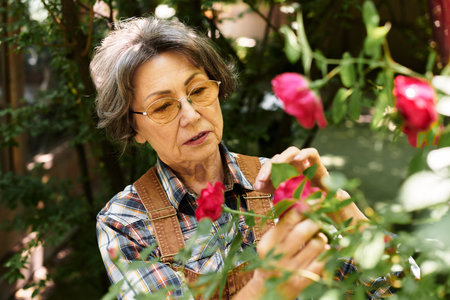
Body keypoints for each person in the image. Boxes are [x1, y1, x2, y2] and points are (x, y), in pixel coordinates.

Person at [91, 17, 371, 299]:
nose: (191, 115)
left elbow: (395, 286)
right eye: (163, 106)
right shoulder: (124, 222)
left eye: (198, 91)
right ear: (133, 128)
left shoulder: (276, 182)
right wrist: (266, 287)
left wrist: (344, 210)